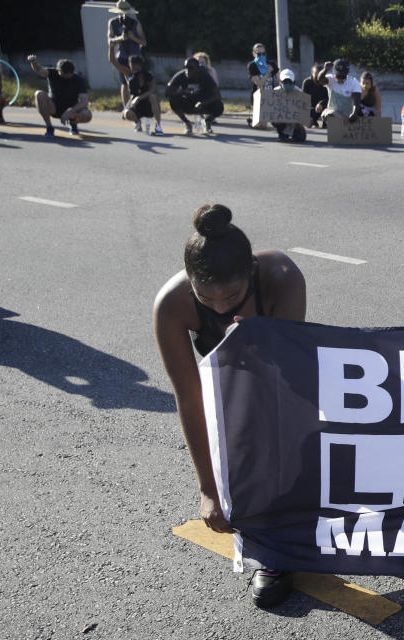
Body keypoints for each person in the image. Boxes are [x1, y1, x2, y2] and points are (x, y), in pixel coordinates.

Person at [153, 204, 306, 609]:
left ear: (251, 274)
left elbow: (284, 389)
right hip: (217, 382)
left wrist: (253, 343)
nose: (220, 308)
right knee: (235, 441)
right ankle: (268, 550)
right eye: (206, 297)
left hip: (280, 378)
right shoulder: (171, 306)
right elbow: (189, 396)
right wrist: (208, 489)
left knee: (279, 439)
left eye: (233, 296)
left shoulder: (282, 279)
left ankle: (281, 539)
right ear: (190, 283)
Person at [27, 55, 91, 137]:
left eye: (69, 75)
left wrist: (69, 112)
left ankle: (73, 123)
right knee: (39, 94)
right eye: (64, 74)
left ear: (72, 72)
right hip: (54, 107)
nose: (66, 77)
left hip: (71, 110)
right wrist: (34, 62)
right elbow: (40, 70)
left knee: (87, 114)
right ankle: (49, 127)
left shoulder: (79, 79)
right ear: (58, 70)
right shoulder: (52, 73)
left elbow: (84, 102)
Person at [108, 47, 163, 135]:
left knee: (153, 97)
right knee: (127, 113)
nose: (134, 71)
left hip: (147, 104)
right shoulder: (128, 74)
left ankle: (158, 126)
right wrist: (111, 47)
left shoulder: (148, 75)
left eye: (136, 68)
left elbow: (153, 90)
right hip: (135, 105)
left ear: (141, 66)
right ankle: (137, 122)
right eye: (132, 68)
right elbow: (113, 61)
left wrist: (139, 98)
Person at [106, 1, 147, 113]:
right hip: (122, 56)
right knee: (124, 83)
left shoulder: (135, 23)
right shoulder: (113, 23)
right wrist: (120, 38)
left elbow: (143, 42)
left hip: (135, 57)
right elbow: (110, 40)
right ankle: (127, 109)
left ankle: (138, 107)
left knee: (138, 82)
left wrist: (132, 37)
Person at [165, 57, 223, 135]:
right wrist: (181, 92)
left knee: (219, 106)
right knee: (172, 99)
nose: (188, 71)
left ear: (197, 69)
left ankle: (207, 122)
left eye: (191, 68)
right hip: (188, 103)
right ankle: (187, 123)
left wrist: (202, 103)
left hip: (202, 104)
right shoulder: (181, 75)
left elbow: (217, 95)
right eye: (186, 68)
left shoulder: (205, 76)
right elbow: (167, 91)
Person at [316, 59, 361, 124]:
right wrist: (325, 69)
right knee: (330, 115)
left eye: (343, 76)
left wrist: (354, 113)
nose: (340, 78)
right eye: (338, 75)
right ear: (334, 73)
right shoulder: (330, 79)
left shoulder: (354, 82)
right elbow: (320, 79)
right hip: (332, 112)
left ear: (347, 73)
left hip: (347, 115)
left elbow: (356, 102)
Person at [274, 69, 307, 143]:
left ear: (294, 82)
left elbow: (304, 111)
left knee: (300, 139)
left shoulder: (299, 92)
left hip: (295, 121)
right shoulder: (275, 92)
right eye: (285, 82)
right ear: (280, 82)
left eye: (290, 82)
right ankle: (282, 133)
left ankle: (295, 132)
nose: (287, 84)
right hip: (282, 119)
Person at [301, 63, 327, 128]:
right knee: (308, 123)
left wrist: (321, 103)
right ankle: (314, 121)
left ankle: (325, 122)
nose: (318, 79)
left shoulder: (327, 82)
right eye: (316, 76)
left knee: (331, 124)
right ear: (312, 74)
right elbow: (303, 100)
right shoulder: (307, 82)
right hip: (312, 109)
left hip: (325, 108)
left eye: (320, 77)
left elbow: (330, 98)